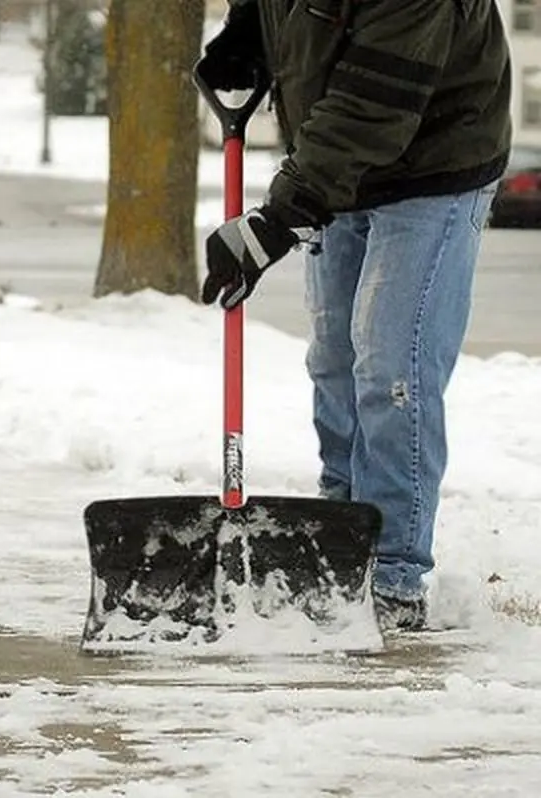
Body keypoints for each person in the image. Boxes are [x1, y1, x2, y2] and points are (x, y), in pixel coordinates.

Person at [196, 0, 511, 631]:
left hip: (436, 160)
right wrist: (249, 32)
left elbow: (374, 104)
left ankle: (392, 572)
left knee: (391, 366)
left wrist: (276, 220)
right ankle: (341, 538)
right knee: (335, 359)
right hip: (343, 162)